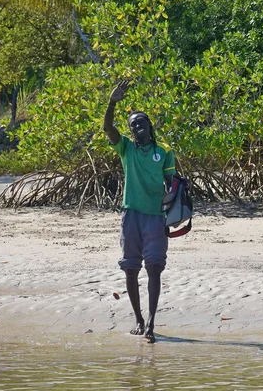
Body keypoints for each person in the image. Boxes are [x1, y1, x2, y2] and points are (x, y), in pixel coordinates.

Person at [103, 80, 176, 343]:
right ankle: (138, 319)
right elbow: (107, 128)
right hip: (131, 215)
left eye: (141, 122)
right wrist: (112, 102)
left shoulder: (164, 151)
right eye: (133, 124)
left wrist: (175, 213)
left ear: (149, 126)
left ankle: (152, 323)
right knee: (131, 270)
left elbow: (172, 184)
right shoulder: (125, 148)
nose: (137, 127)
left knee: (154, 268)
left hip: (156, 218)